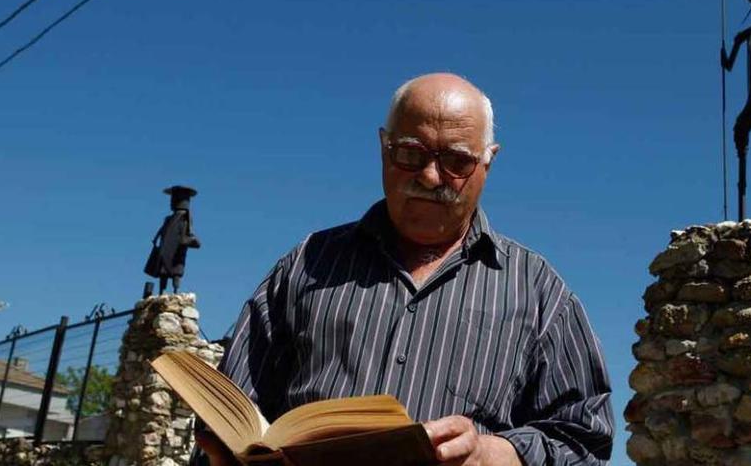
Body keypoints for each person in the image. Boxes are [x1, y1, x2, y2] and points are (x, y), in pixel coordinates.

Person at [192, 73, 614, 465]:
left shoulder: (538, 291)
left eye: (457, 161)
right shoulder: (307, 263)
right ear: (383, 147)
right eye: (411, 154)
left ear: (488, 162)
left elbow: (584, 439)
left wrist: (490, 453)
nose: (431, 176)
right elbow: (235, 410)